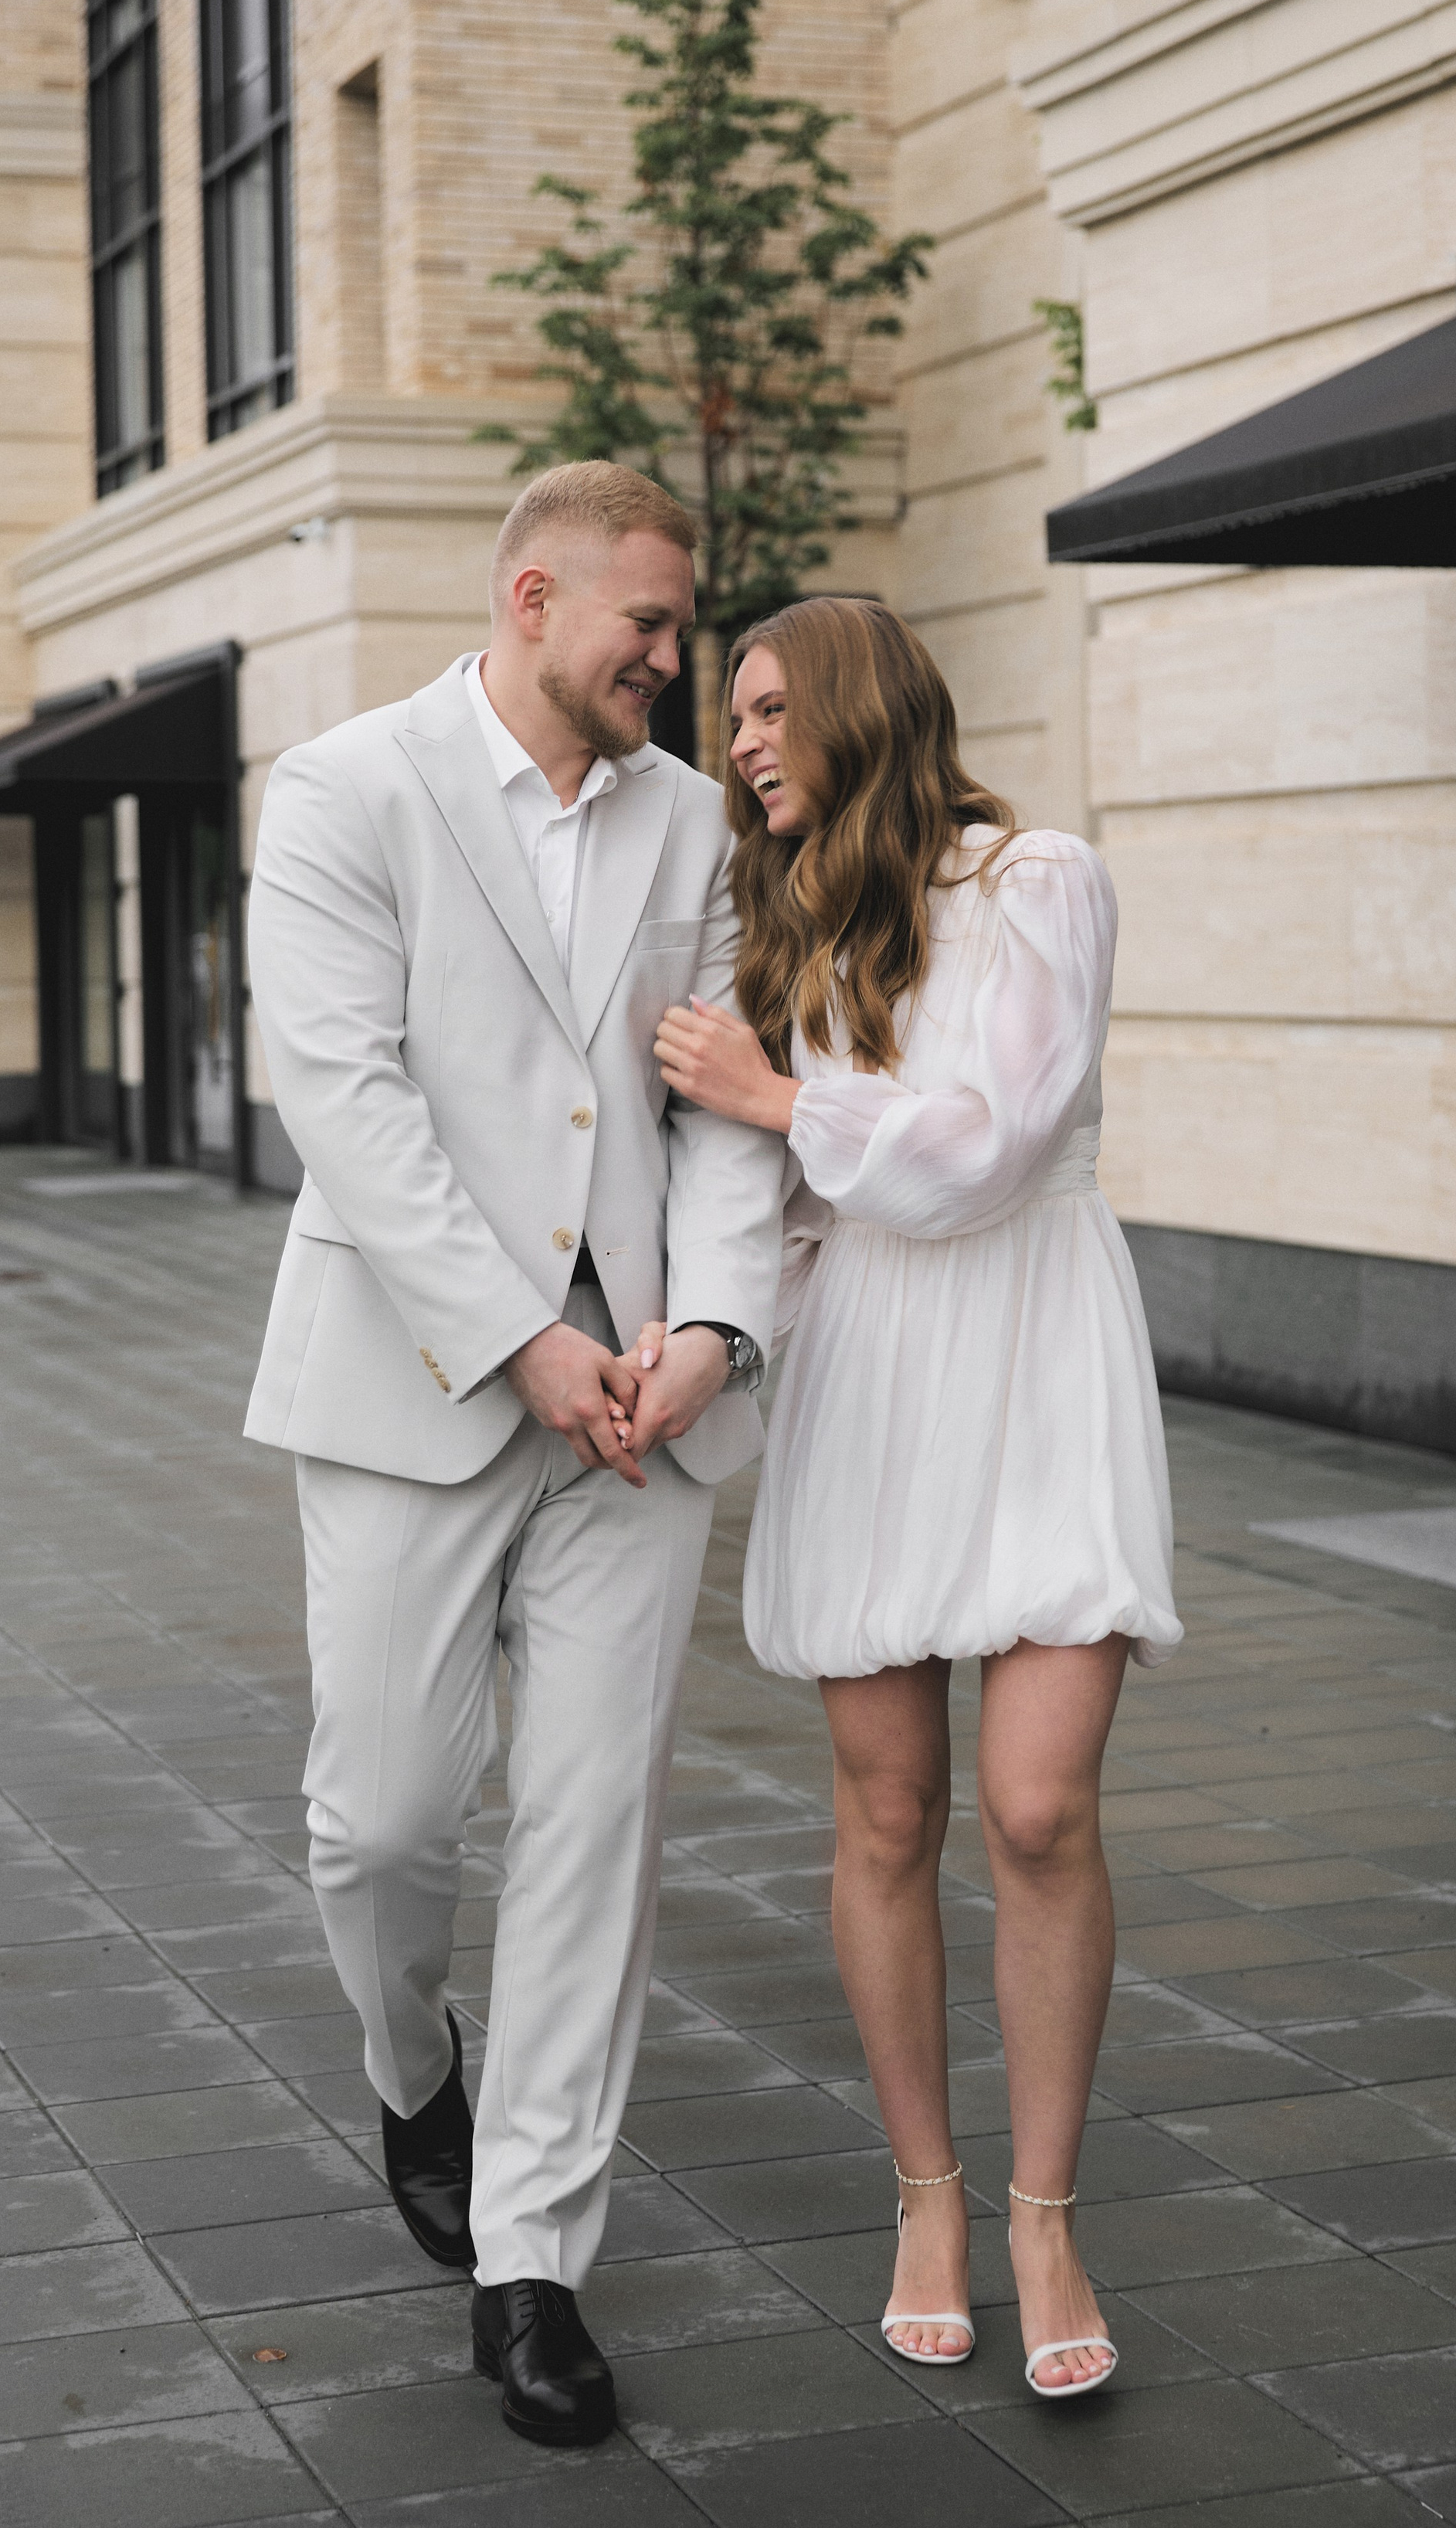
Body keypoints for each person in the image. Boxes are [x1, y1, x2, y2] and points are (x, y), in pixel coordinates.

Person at [244, 461, 784, 2449]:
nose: (676, 654)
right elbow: (346, 1097)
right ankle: (411, 2077)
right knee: (379, 1822)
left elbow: (726, 1104)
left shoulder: (697, 826)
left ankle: (532, 2255)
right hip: (416, 1381)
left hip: (643, 1414)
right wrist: (521, 1338)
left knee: (592, 1833)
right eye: (648, 623)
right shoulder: (343, 790)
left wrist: (713, 1330)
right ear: (536, 598)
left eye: (682, 622)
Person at [650, 595, 1181, 2403]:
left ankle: (1046, 2211)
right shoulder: (780, 922)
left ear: (862, 706)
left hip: (1033, 1352)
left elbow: (986, 1150)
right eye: (730, 715)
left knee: (1036, 1812)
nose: (741, 742)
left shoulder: (1037, 881)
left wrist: (770, 1092)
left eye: (770, 706)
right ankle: (926, 2198)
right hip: (871, 1373)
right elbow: (784, 1209)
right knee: (886, 1813)